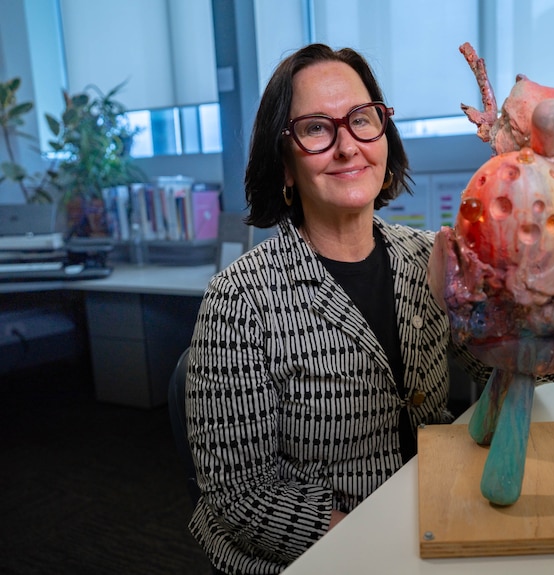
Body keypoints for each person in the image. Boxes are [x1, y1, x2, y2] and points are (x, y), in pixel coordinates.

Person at [185, 43, 490, 573]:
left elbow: (504, 373)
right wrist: (376, 545)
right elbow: (239, 495)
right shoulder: (240, 299)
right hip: (325, 551)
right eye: (317, 129)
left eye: (361, 119)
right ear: (284, 164)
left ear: (384, 137)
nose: (348, 146)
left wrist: (477, 305)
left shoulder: (426, 256)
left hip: (434, 515)